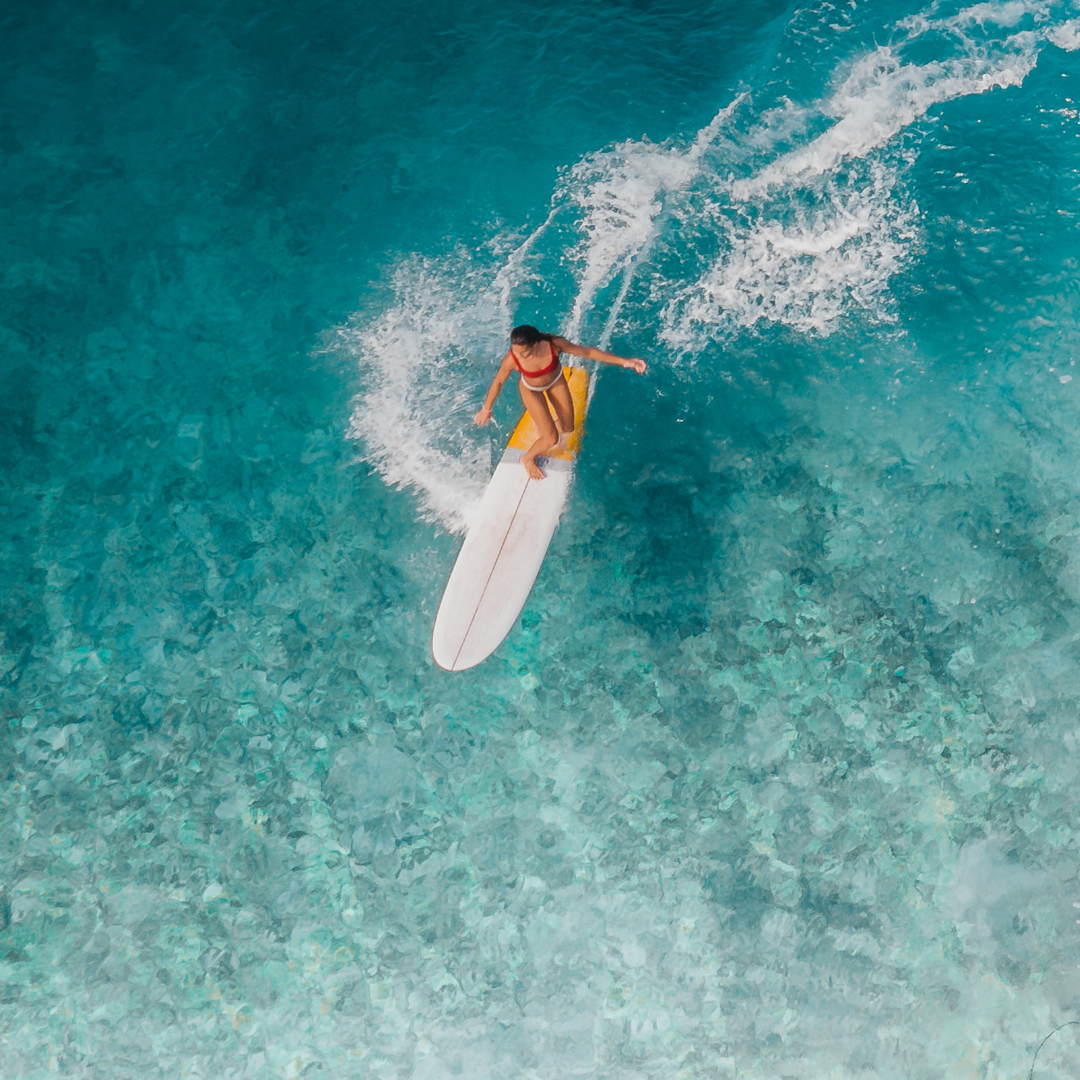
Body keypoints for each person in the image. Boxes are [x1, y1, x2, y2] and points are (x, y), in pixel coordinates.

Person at [474, 325, 648, 479]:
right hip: (531, 391)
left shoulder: (554, 344)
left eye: (523, 351)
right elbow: (498, 381)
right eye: (515, 350)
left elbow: (587, 352)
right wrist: (486, 409)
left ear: (535, 344)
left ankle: (547, 427)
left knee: (568, 427)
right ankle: (527, 458)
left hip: (556, 381)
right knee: (551, 439)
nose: (517, 355)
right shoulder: (512, 359)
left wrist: (625, 362)